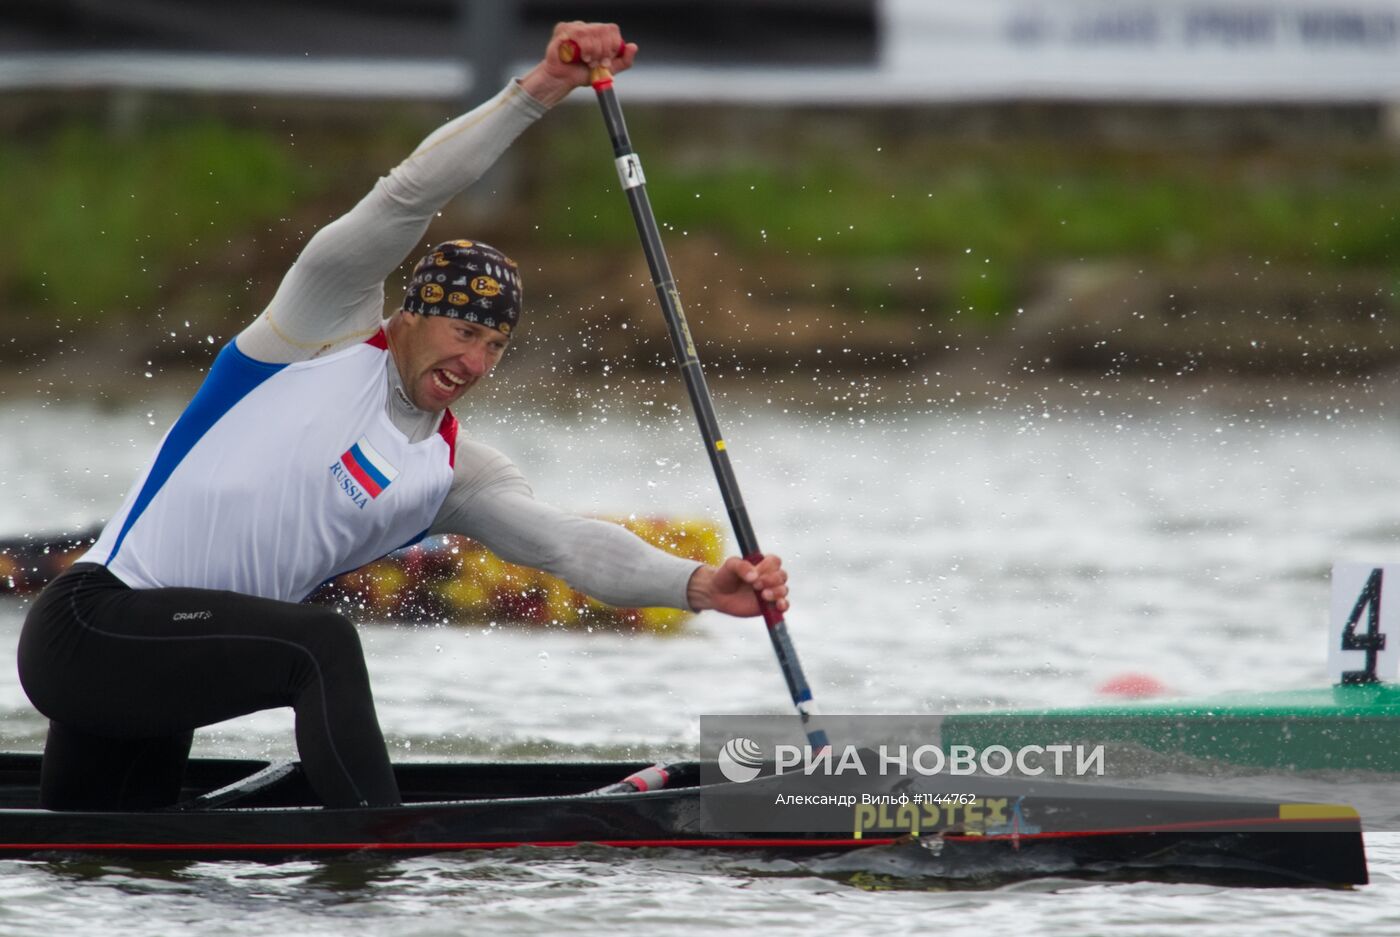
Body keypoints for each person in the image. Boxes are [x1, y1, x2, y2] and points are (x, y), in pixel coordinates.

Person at [17, 21, 788, 811]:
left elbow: (568, 546)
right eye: (463, 333)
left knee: (107, 852)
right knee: (321, 647)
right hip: (89, 629)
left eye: (495, 345)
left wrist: (696, 583)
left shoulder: (452, 473)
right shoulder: (312, 331)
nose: (475, 364)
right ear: (411, 314)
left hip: (163, 675)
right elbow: (410, 192)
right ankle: (379, 853)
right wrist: (543, 90)